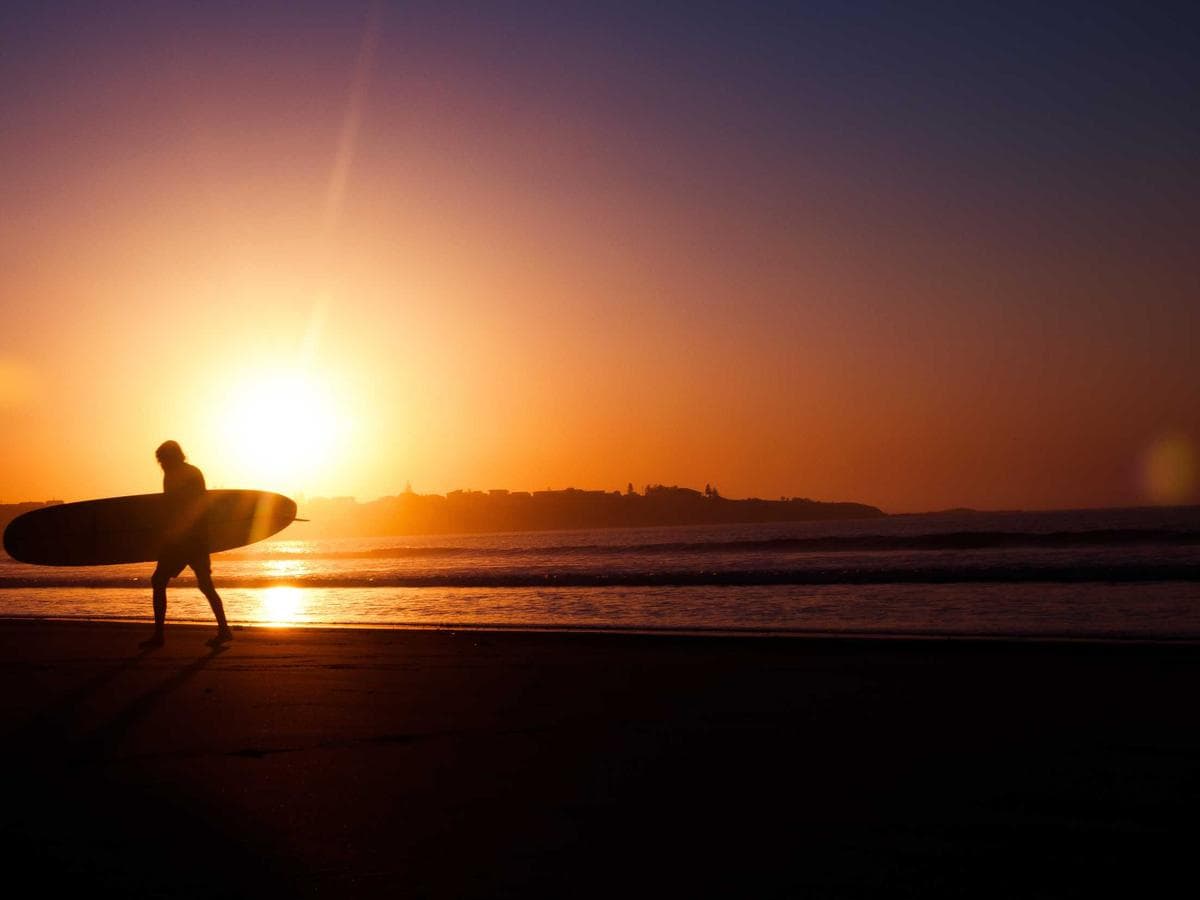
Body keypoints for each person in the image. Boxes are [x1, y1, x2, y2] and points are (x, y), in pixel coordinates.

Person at [143, 440, 233, 648]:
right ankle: (224, 630)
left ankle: (159, 636)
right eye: (160, 461)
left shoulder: (184, 474)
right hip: (195, 540)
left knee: (159, 581)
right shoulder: (182, 472)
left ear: (172, 457)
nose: (161, 464)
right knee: (204, 585)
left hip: (185, 540)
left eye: (163, 460)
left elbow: (186, 508)